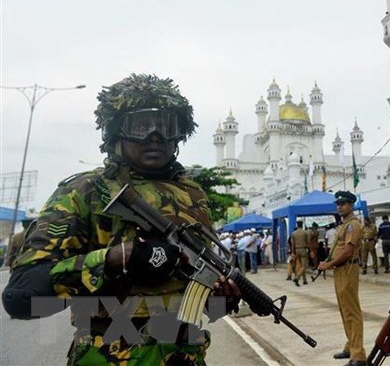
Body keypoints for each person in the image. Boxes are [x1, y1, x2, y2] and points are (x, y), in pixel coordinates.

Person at [2, 74, 242, 365]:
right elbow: (22, 297)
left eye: (166, 127)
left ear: (180, 134)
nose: (155, 136)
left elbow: (207, 309)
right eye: (141, 126)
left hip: (185, 356)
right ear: (117, 132)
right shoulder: (84, 192)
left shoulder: (193, 196)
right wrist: (120, 258)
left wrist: (222, 299)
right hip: (108, 357)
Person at [318, 191, 366, 366]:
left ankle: (358, 355)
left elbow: (348, 252)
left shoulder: (353, 225)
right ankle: (351, 346)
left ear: (351, 205)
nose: (340, 206)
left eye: (343, 203)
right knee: (345, 311)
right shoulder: (344, 224)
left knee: (352, 312)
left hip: (347, 269)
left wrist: (328, 265)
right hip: (340, 270)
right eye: (338, 203)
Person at [291, 220, 311, 285]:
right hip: (303, 250)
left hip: (296, 250)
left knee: (301, 265)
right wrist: (310, 251)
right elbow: (308, 243)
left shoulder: (294, 233)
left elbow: (293, 244)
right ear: (302, 225)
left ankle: (304, 280)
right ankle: (297, 277)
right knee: (304, 266)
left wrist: (293, 252)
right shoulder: (305, 232)